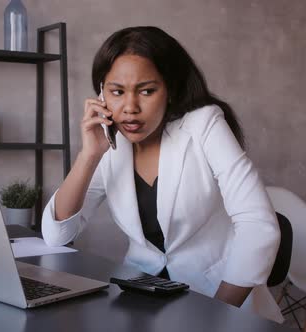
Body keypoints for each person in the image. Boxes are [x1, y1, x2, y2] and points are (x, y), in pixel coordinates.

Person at [41, 26, 283, 323]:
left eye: (147, 91)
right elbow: (56, 235)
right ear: (101, 94)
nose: (130, 108)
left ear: (170, 90)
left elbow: (258, 226)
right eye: (117, 92)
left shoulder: (204, 125)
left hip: (216, 298)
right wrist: (88, 155)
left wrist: (217, 316)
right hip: (142, 298)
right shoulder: (111, 144)